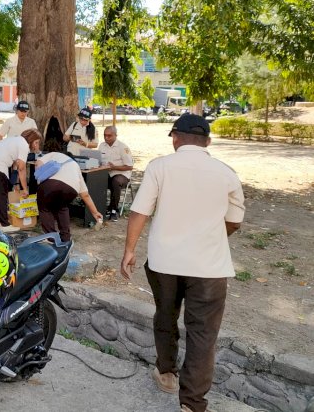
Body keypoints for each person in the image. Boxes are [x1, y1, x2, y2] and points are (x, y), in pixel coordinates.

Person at [120, 114, 245, 412]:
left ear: (175, 137)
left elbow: (140, 212)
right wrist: (209, 236)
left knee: (165, 315)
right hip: (210, 268)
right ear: (208, 142)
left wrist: (129, 251)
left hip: (164, 262)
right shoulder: (226, 173)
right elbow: (235, 221)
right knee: (203, 334)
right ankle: (192, 403)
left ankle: (166, 373)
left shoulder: (159, 167)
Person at [34, 152, 103, 242]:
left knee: (45, 208)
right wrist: (95, 212)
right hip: (71, 189)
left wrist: (40, 180)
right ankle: (65, 238)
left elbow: (38, 163)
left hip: (50, 184)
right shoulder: (76, 166)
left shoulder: (54, 154)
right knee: (62, 208)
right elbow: (85, 195)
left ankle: (51, 238)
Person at [0, 128, 42, 232]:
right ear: (31, 140)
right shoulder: (24, 146)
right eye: (36, 142)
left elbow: (15, 166)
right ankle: (4, 224)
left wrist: (16, 184)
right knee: (2, 195)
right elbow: (22, 169)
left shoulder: (16, 139)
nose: (36, 145)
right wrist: (25, 189)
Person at [98, 125, 134, 221]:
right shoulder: (102, 145)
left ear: (115, 135)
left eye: (109, 136)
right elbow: (99, 160)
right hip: (106, 173)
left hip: (122, 174)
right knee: (94, 178)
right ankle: (99, 207)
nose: (106, 138)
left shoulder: (123, 147)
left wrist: (114, 167)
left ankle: (114, 209)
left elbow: (130, 166)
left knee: (115, 181)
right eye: (104, 135)